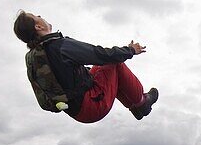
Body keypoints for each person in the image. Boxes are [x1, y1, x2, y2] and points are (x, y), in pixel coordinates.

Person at [13, 11, 158, 122]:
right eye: (37, 16)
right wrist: (131, 50)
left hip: (75, 110)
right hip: (91, 106)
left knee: (106, 68)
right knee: (113, 62)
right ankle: (142, 103)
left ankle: (137, 107)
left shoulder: (35, 57)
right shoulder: (59, 46)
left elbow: (68, 77)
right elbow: (100, 54)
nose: (40, 16)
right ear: (38, 26)